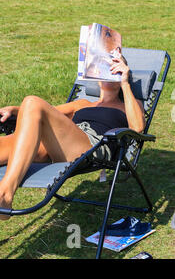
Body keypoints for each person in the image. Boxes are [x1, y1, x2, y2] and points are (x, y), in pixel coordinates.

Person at [0, 54, 145, 220]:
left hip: (91, 147)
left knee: (32, 101)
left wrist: (125, 82)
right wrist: (15, 110)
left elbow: (137, 128)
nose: (108, 72)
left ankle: (5, 194)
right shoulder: (82, 103)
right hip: (60, 145)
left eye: (114, 69)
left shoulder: (128, 105)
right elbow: (43, 113)